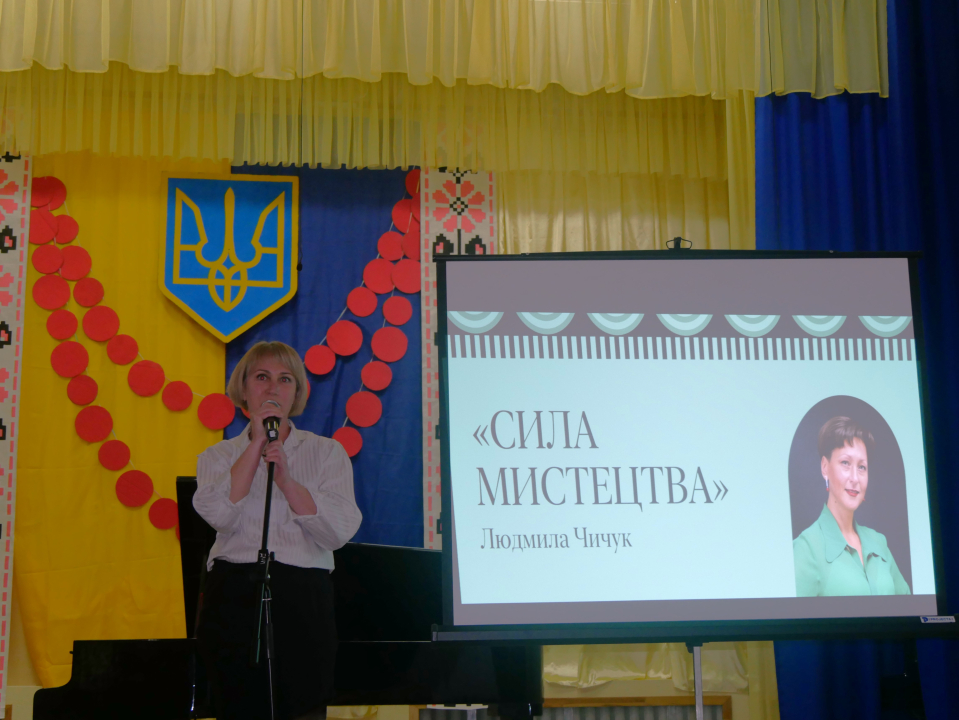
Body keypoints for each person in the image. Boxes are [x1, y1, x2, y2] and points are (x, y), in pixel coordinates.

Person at [194, 341, 362, 720]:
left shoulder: (327, 452)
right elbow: (220, 515)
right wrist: (256, 444)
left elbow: (338, 531)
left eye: (285, 379)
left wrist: (287, 482)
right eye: (262, 377)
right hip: (233, 594)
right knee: (235, 707)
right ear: (243, 389)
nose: (273, 388)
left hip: (304, 595)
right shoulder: (217, 456)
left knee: (303, 708)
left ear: (296, 392)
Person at [793, 416, 910, 597]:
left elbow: (910, 607)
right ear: (825, 467)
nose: (855, 478)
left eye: (862, 467)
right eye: (845, 463)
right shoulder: (806, 549)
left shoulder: (879, 542)